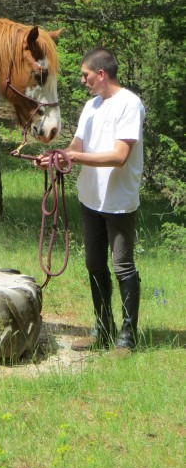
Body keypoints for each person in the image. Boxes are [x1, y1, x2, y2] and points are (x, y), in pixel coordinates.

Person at [37, 48, 145, 352]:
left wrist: (74, 156)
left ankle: (127, 335)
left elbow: (120, 157)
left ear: (101, 74)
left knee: (122, 265)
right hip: (90, 199)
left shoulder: (129, 105)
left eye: (86, 75)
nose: (83, 80)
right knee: (94, 264)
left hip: (119, 200)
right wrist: (56, 158)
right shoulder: (91, 106)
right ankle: (102, 329)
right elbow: (77, 145)